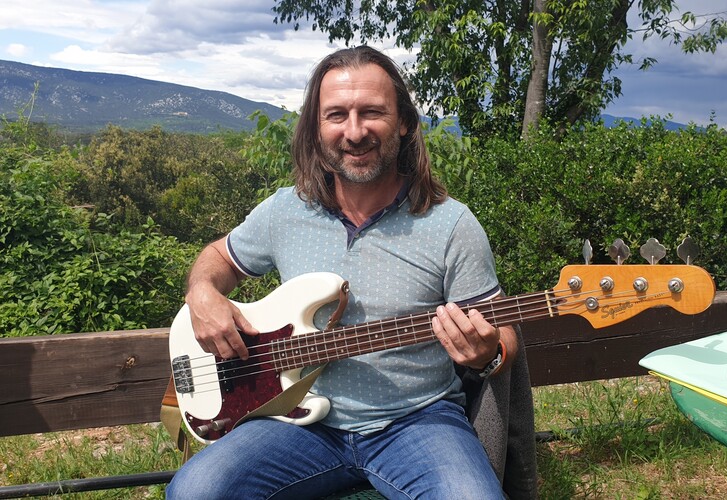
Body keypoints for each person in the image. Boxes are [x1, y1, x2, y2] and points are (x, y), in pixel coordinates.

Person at [166, 45, 522, 499]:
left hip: (418, 421)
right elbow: (219, 257)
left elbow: (502, 332)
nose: (354, 132)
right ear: (317, 129)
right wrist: (202, 292)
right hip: (294, 423)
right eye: (336, 115)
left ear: (404, 122)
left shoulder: (451, 224)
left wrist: (487, 354)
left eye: (372, 112)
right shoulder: (284, 211)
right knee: (194, 492)